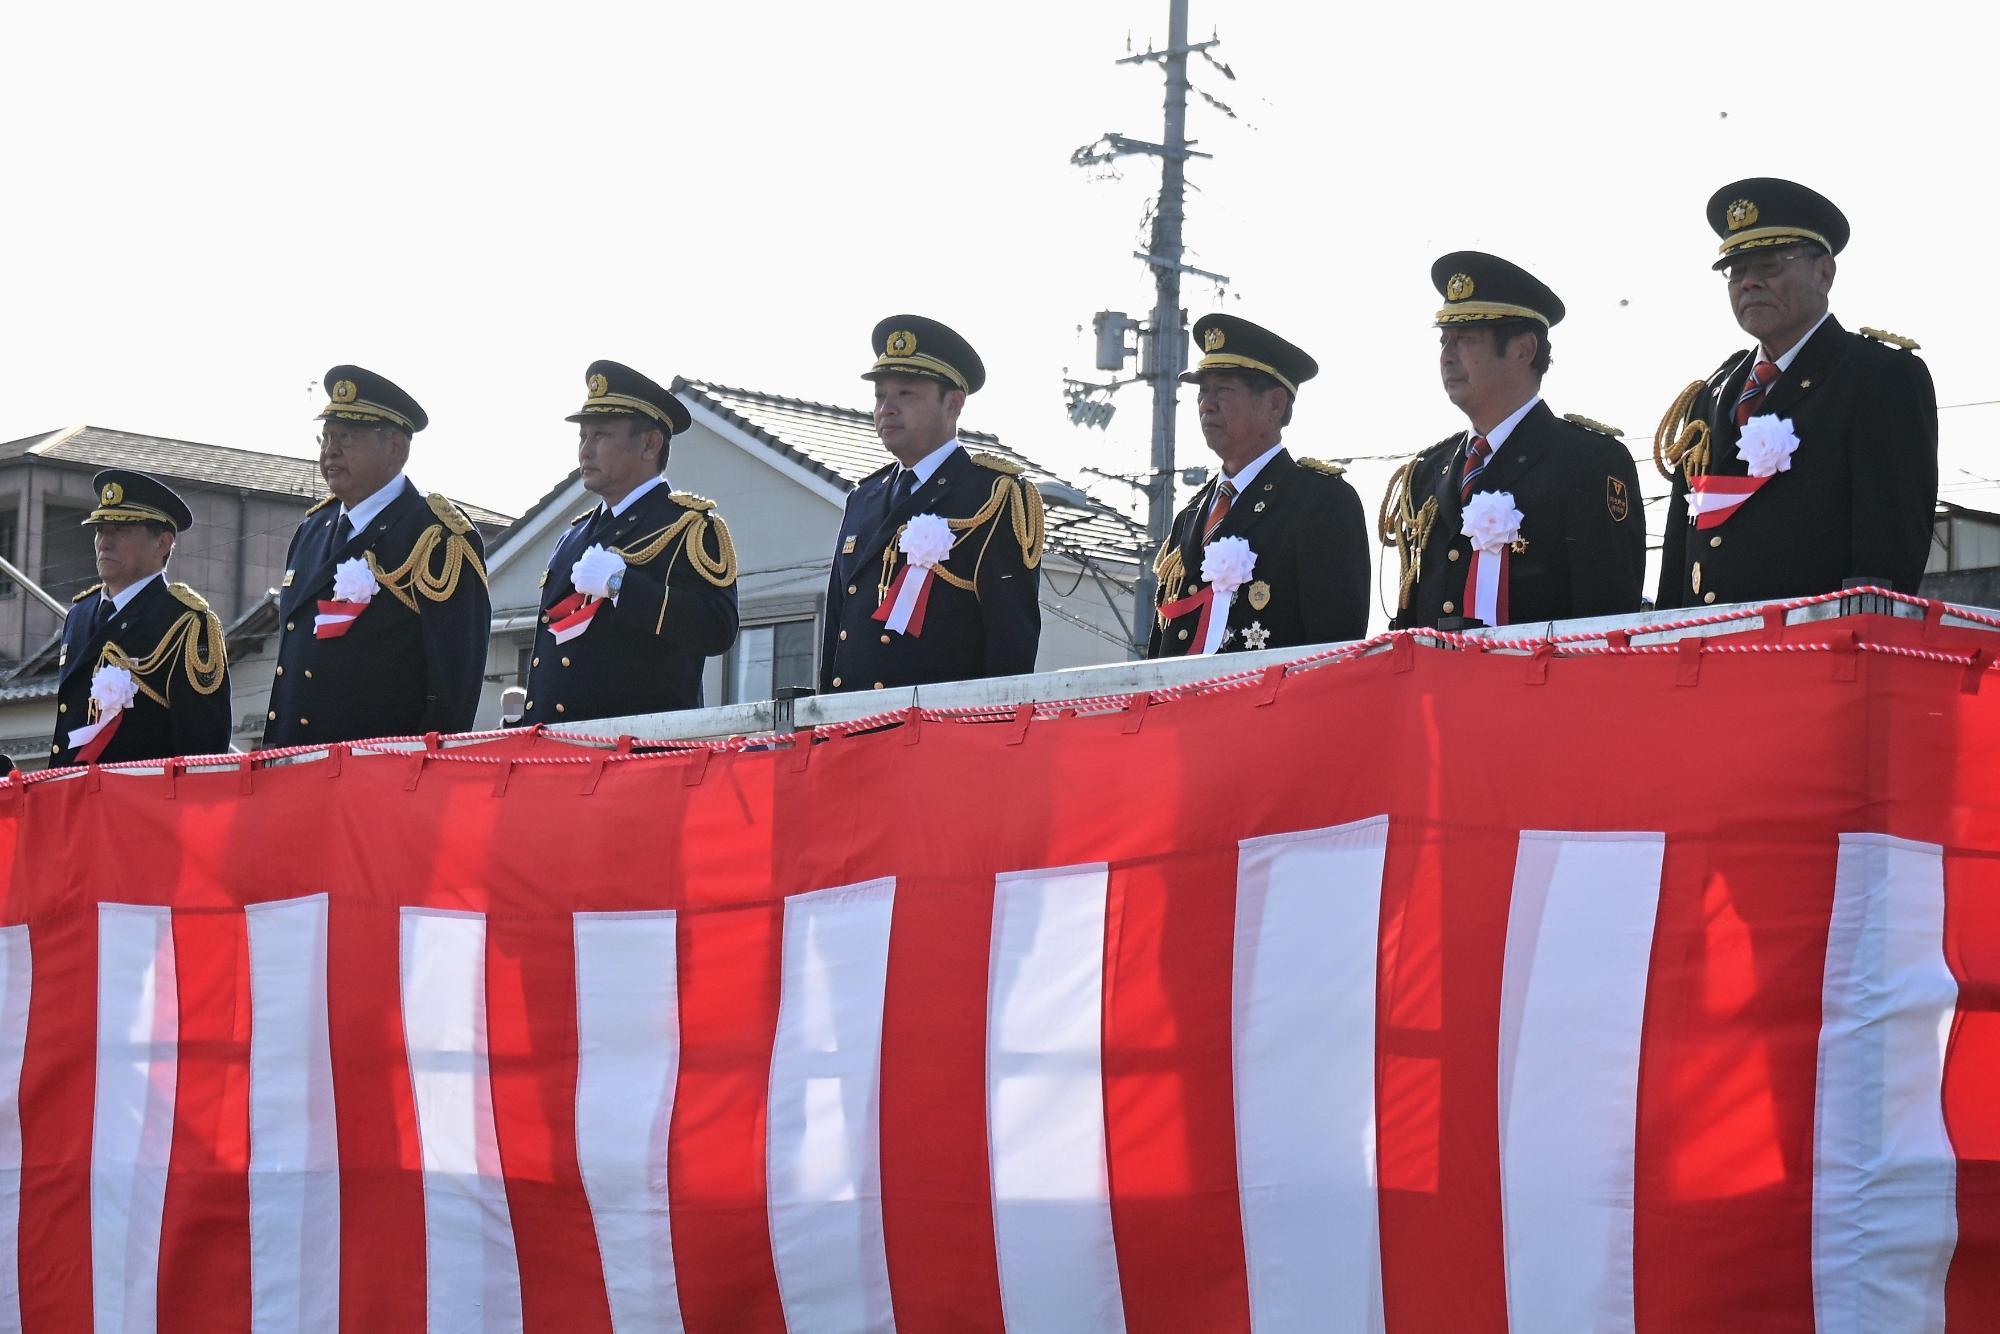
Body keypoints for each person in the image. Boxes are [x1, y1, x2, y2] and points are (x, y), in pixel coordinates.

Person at [1655, 178, 1938, 608]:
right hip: (1706, 654)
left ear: (1824, 272)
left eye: (1769, 264)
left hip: (1813, 654)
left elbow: (1887, 551)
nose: (1748, 283)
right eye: (1736, 271)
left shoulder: (1877, 377)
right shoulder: (1710, 395)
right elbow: (1680, 555)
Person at [1384, 253, 1644, 629]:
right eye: (1444, 340)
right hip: (1438, 686)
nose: (1447, 356)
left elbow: (1604, 622)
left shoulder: (1587, 462)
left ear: (1523, 350)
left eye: (1465, 339)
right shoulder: (1427, 474)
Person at [264, 366, 491, 747]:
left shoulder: (434, 536)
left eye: (347, 437)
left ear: (394, 448)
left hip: (378, 772)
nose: (330, 450)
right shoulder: (313, 529)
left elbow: (454, 683)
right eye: (326, 437)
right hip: (295, 763)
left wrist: (424, 772)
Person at [819, 316, 1042, 692]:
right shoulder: (864, 497)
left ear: (954, 403)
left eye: (906, 394)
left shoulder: (992, 495)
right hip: (854, 732)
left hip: (939, 735)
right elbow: (838, 630)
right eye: (880, 396)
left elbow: (1011, 641)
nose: (887, 408)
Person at [516, 361, 738, 725]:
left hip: (638, 753)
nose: (585, 451)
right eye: (582, 437)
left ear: (649, 444)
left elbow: (717, 628)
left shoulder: (687, 527)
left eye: (600, 436)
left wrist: (622, 586)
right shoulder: (573, 537)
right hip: (559, 752)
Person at [1146, 314, 1368, 657]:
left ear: (1274, 404)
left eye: (1223, 389)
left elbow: (1334, 651)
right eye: (1203, 391)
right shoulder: (1192, 514)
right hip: (1185, 708)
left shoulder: (1319, 501)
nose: (1207, 404)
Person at [49, 469, 231, 766]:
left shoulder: (185, 623)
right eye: (100, 530)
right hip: (73, 803)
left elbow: (203, 751)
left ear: (162, 543)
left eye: (120, 530)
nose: (104, 543)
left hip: (140, 807)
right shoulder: (80, 614)